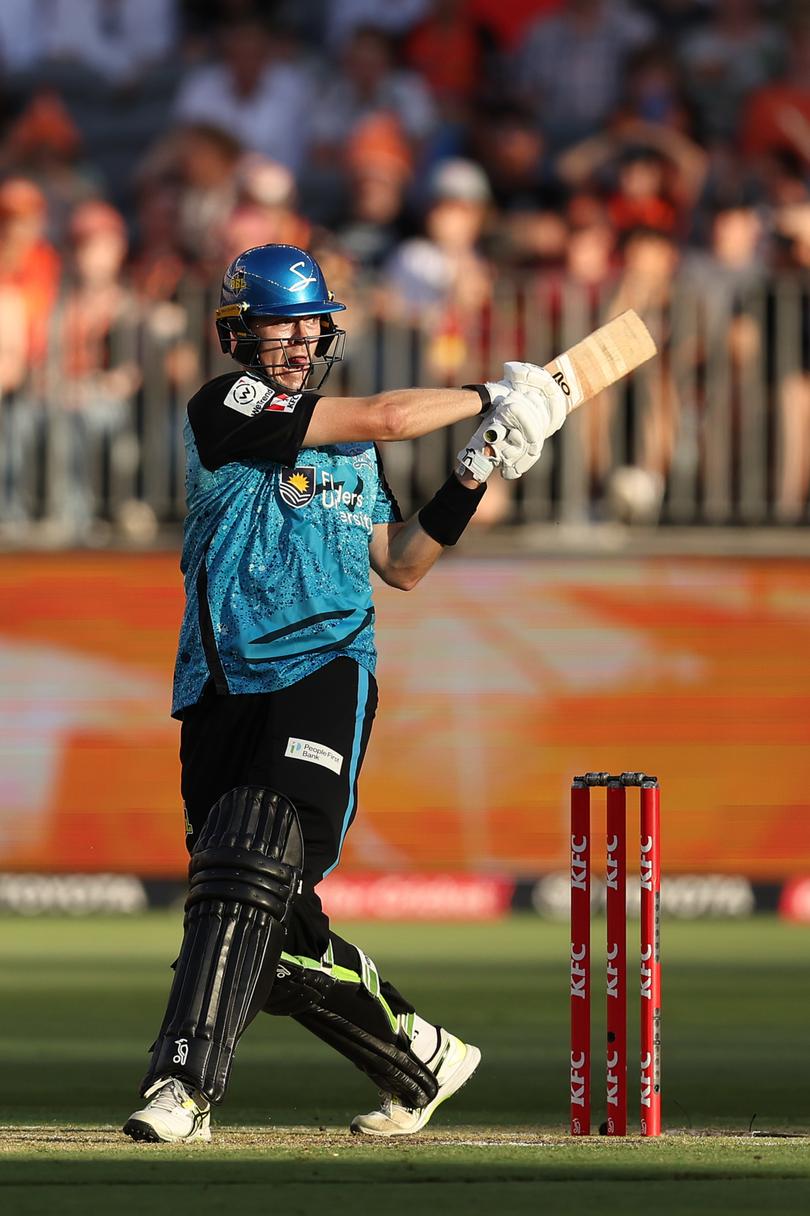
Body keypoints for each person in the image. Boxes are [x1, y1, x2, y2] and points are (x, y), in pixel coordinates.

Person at [122, 242, 569, 1143]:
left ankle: (182, 1085)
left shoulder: (354, 448)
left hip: (326, 671)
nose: (294, 338)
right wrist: (491, 394)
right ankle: (421, 1054)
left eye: (306, 322)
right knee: (262, 921)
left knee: (250, 857)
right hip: (220, 682)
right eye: (275, 325)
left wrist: (476, 465)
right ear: (238, 335)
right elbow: (399, 413)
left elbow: (400, 565)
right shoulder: (228, 405)